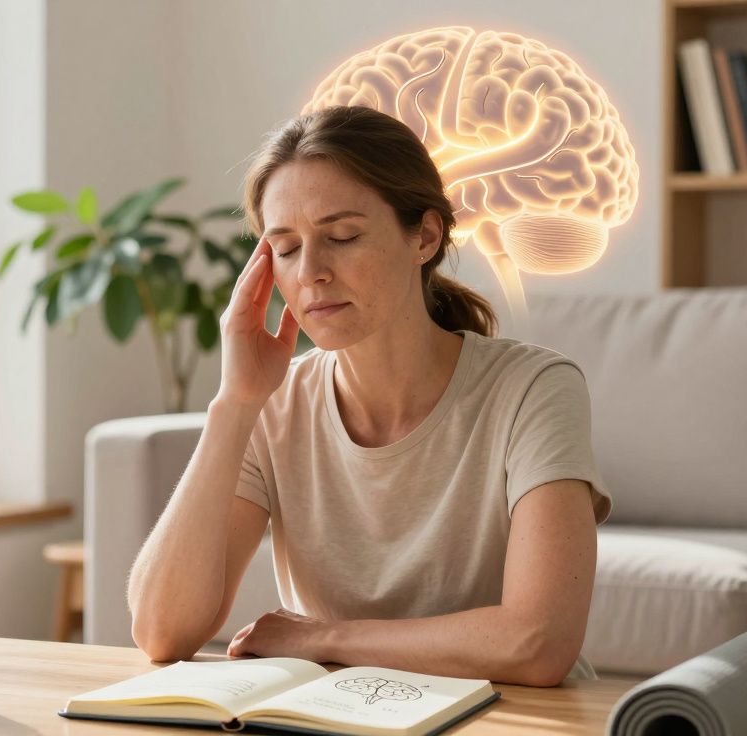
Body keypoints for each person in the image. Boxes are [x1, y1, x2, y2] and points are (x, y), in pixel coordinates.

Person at [126, 105, 612, 686]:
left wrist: (324, 637)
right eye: (284, 248)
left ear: (425, 237)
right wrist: (234, 402)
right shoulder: (274, 403)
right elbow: (161, 631)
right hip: (343, 718)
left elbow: (538, 643)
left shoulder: (533, 388)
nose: (311, 272)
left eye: (343, 236)